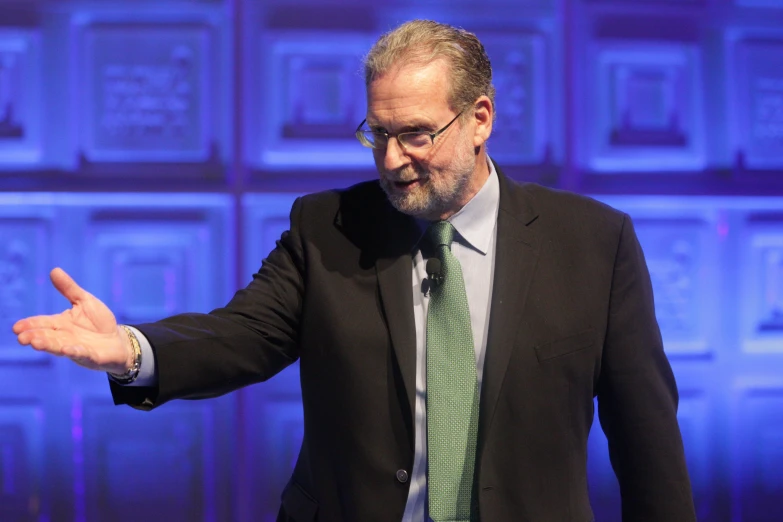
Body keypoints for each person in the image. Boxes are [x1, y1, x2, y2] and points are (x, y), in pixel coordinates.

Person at [13, 20, 696, 522]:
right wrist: (131, 350)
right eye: (378, 134)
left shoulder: (592, 242)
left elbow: (646, 441)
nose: (393, 160)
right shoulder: (328, 226)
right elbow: (242, 335)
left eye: (417, 135)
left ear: (480, 118)